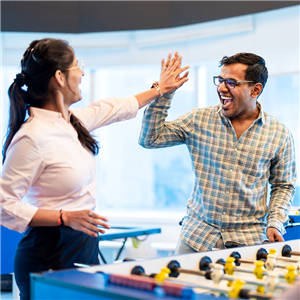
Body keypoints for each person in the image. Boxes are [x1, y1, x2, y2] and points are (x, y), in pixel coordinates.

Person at [0, 38, 189, 300]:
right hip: (47, 251)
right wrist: (62, 216)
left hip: (83, 244)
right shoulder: (31, 137)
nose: (83, 72)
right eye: (78, 65)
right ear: (60, 77)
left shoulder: (72, 122)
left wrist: (160, 88)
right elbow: (3, 204)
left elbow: (116, 108)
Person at [139, 52, 296, 254]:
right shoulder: (199, 120)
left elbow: (284, 185)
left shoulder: (279, 134)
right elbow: (149, 139)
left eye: (231, 82)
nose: (221, 88)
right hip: (195, 240)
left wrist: (275, 222)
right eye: (220, 80)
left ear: (255, 89)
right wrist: (164, 92)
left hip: (248, 244)